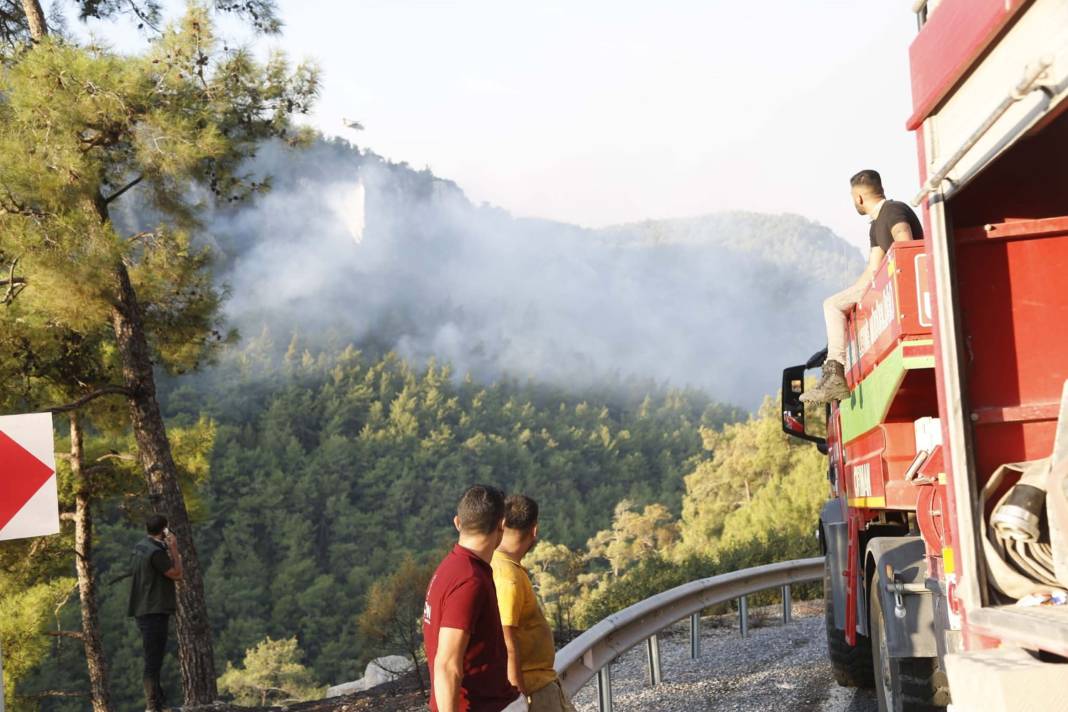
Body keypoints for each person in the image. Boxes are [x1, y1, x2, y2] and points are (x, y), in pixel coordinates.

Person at [801, 169, 924, 404]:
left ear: (858, 198)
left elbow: (904, 239)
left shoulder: (894, 210)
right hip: (894, 286)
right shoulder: (876, 224)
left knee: (830, 305)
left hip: (906, 289)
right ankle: (834, 370)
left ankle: (835, 373)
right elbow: (872, 271)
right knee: (835, 304)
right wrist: (851, 302)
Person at [423, 485, 528, 712]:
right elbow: (447, 665)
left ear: (457, 523)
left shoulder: (449, 568)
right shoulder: (471, 580)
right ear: (501, 526)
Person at [492, 495, 577, 712]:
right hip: (533, 692)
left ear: (501, 524)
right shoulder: (507, 576)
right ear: (535, 530)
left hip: (538, 685)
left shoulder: (502, 566)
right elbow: (507, 641)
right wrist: (518, 701)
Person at [128, 514, 183, 712]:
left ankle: (160, 703)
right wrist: (174, 549)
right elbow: (177, 574)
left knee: (154, 658)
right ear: (164, 530)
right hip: (154, 610)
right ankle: (152, 706)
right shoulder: (156, 553)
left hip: (142, 608)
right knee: (153, 661)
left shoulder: (140, 546)